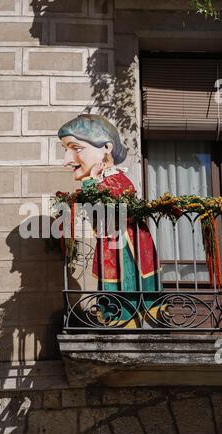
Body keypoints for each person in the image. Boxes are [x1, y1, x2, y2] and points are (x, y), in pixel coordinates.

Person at [58, 114, 160, 328]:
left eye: (76, 148)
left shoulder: (117, 178)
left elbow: (109, 202)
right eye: (65, 150)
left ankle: (130, 317)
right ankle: (117, 317)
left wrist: (92, 182)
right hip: (111, 242)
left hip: (126, 242)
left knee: (127, 278)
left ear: (106, 147)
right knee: (113, 279)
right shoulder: (102, 180)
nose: (66, 160)